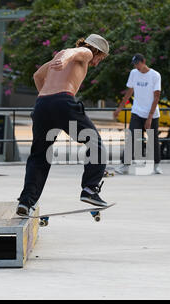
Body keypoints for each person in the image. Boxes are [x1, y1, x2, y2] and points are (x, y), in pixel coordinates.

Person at [16, 34, 110, 217]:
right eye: (101, 58)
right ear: (97, 51)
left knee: (39, 156)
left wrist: (48, 96)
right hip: (63, 102)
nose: (97, 63)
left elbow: (37, 76)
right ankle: (90, 189)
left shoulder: (54, 61)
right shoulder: (86, 52)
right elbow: (73, 52)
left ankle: (26, 202)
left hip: (42, 105)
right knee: (94, 143)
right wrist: (66, 58)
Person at [113, 53, 162, 174]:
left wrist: (149, 117)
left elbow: (156, 97)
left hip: (152, 114)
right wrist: (120, 108)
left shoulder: (155, 75)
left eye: (138, 64)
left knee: (153, 140)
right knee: (132, 138)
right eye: (135, 64)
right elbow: (129, 92)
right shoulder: (134, 73)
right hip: (137, 112)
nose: (136, 67)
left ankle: (156, 165)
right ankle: (125, 166)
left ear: (143, 61)